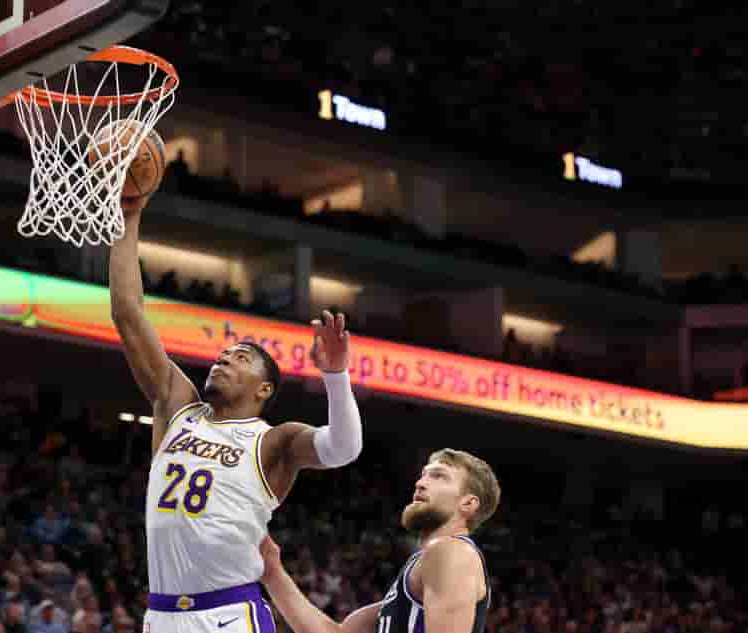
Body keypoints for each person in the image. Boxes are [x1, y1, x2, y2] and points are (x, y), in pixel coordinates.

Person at [108, 194, 364, 633]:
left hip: (228, 614)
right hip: (162, 615)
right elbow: (128, 313)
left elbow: (343, 448)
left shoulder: (274, 441)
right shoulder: (177, 407)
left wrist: (336, 377)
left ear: (264, 388)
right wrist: (128, 217)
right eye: (223, 355)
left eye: (240, 357)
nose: (223, 360)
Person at [259, 449, 501, 633]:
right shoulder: (420, 571)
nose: (420, 482)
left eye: (439, 476)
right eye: (423, 475)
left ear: (468, 503)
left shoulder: (451, 552)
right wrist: (272, 571)